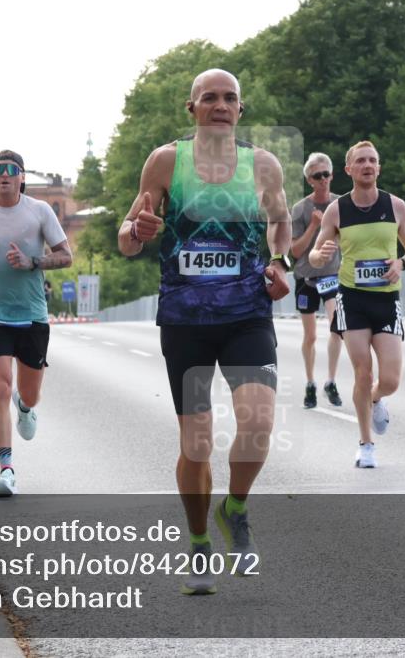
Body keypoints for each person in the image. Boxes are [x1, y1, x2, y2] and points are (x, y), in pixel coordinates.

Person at [117, 69, 291, 595]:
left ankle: (234, 508)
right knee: (196, 446)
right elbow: (127, 236)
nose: (220, 105)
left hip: (247, 314)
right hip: (186, 322)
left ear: (241, 109)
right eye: (209, 98)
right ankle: (198, 545)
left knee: (258, 423)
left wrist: (281, 262)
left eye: (230, 98)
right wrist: (138, 231)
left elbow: (280, 222)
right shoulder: (167, 161)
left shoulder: (263, 165)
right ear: (190, 108)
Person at [0, 149, 72, 498]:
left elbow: (66, 256)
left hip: (32, 313)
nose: (5, 175)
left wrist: (32, 261)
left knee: (28, 393)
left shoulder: (38, 211)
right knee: (0, 388)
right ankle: (6, 470)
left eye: (12, 170)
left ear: (22, 177)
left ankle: (25, 408)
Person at [309, 140, 405, 469]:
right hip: (352, 299)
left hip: (386, 300)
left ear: (379, 168)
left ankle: (375, 399)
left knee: (390, 380)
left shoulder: (396, 206)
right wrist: (321, 254)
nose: (368, 165)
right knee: (362, 372)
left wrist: (402, 263)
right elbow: (315, 256)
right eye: (361, 161)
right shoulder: (337, 210)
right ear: (349, 169)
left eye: (373, 160)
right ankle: (365, 444)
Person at [290, 152, 343, 409]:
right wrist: (313, 226)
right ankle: (310, 382)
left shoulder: (341, 205)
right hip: (306, 277)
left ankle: (330, 380)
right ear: (309, 180)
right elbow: (295, 251)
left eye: (326, 174)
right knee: (310, 336)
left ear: (332, 176)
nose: (322, 180)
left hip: (333, 275)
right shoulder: (300, 209)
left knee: (337, 327)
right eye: (316, 176)